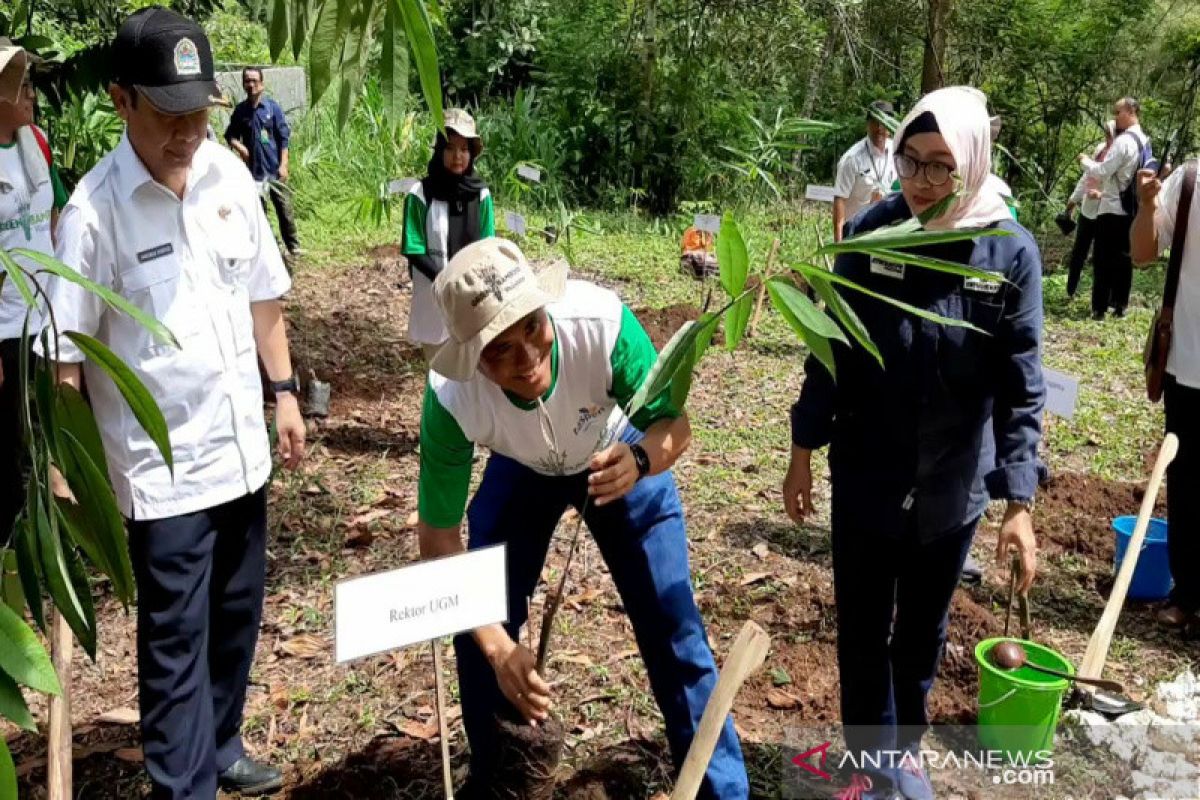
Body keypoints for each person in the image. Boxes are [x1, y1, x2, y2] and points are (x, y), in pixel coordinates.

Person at [39, 8, 305, 797]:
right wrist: (68, 468)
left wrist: (284, 393)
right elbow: (66, 361)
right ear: (121, 102)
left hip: (241, 454)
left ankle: (220, 746)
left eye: (197, 111)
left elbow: (264, 298)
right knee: (173, 643)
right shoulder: (94, 213)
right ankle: (181, 784)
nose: (188, 131)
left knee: (236, 619)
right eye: (168, 114)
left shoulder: (229, 179)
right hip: (164, 475)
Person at [415, 237, 749, 798]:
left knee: (672, 623)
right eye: (499, 350)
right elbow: (439, 540)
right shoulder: (452, 399)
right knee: (480, 627)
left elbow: (676, 425)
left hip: (613, 454)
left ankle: (720, 788)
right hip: (521, 466)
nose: (527, 358)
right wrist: (499, 649)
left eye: (532, 326)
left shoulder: (602, 326)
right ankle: (500, 776)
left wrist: (641, 460)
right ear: (472, 358)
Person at [783, 87, 1043, 800]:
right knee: (863, 632)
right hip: (868, 472)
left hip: (952, 486)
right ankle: (869, 765)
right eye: (911, 163)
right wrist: (803, 449)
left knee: (921, 634)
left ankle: (906, 752)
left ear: (973, 165)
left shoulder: (1008, 253)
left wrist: (1019, 500)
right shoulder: (871, 233)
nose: (923, 183)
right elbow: (827, 355)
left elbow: (1022, 382)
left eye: (941, 167)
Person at [0, 38, 68, 546]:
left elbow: (55, 213)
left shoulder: (37, 144)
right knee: (12, 442)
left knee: (51, 427)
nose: (30, 95)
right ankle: (14, 547)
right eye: (21, 85)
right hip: (6, 328)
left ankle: (54, 532)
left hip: (47, 314)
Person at [1132, 162, 1200, 632]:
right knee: (1188, 481)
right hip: (1188, 363)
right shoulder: (1192, 182)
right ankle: (1189, 593)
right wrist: (1148, 204)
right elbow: (1142, 254)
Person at [400, 108, 495, 353]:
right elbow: (413, 246)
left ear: (472, 154)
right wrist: (444, 280)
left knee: (471, 367)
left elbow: (487, 244)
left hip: (471, 294)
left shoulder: (480, 195)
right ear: (440, 150)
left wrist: (465, 284)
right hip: (433, 294)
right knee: (437, 368)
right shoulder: (421, 194)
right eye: (450, 148)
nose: (457, 156)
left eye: (464, 149)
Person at [1079, 97, 1151, 319]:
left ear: (1131, 111)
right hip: (1131, 209)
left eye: (1117, 112)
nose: (1114, 117)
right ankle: (1120, 305)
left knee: (1102, 259)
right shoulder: (1145, 141)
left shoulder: (1123, 142)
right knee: (1123, 258)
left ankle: (1099, 309)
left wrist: (1084, 161)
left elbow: (1102, 171)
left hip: (1112, 207)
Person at [225, 66, 299, 261]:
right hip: (254, 173)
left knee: (284, 210)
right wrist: (241, 148)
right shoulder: (240, 111)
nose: (251, 85)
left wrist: (284, 164)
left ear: (262, 84)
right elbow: (230, 135)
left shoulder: (272, 108)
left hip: (274, 171)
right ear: (243, 84)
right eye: (247, 81)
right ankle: (271, 248)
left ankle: (293, 247)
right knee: (260, 213)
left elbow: (284, 139)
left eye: (254, 81)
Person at [833, 100, 897, 242]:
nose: (880, 128)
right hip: (857, 232)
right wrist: (839, 245)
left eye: (884, 122)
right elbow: (839, 200)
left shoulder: (898, 152)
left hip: (886, 232)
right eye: (875, 122)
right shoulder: (852, 159)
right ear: (867, 124)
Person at [1065, 122, 1116, 299]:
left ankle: (1104, 299)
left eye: (1111, 135)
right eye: (1107, 134)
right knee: (1079, 253)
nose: (1108, 139)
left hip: (1107, 213)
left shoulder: (1121, 156)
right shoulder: (1101, 149)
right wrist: (1073, 201)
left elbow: (1122, 189)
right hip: (1088, 210)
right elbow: (1088, 176)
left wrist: (1102, 194)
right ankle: (1070, 291)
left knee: (1103, 258)